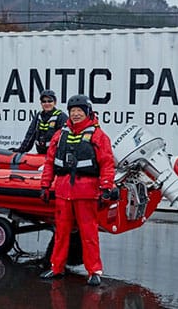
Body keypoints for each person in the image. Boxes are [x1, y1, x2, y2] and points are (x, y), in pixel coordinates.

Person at [39, 94, 116, 286]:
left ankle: (94, 271)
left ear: (87, 112)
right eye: (72, 111)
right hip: (64, 191)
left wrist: (106, 186)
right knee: (61, 232)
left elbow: (107, 163)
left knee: (88, 233)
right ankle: (56, 267)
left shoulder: (98, 136)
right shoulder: (60, 135)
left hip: (86, 192)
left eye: (79, 111)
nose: (75, 115)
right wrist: (45, 185)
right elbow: (49, 162)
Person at [10, 90, 68, 154]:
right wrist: (21, 150)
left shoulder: (61, 116)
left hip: (54, 155)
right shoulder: (38, 116)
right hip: (40, 154)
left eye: (49, 101)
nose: (47, 103)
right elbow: (30, 134)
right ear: (41, 103)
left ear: (55, 102)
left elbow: (64, 140)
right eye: (44, 101)